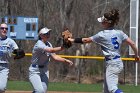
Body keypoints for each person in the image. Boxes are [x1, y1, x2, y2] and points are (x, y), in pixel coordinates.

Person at [68, 9, 139, 93]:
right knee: (106, 90)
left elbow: (86, 40)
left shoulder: (102, 34)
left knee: (112, 89)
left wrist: (71, 40)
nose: (101, 23)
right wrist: (136, 55)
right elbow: (133, 44)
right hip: (118, 62)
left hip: (112, 64)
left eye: (102, 22)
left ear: (107, 23)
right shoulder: (120, 33)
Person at [29, 27, 73, 93]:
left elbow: (55, 56)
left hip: (44, 71)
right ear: (41, 35)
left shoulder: (49, 44)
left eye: (48, 33)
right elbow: (51, 50)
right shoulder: (39, 44)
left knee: (43, 91)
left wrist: (65, 60)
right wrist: (63, 47)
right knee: (40, 91)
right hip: (35, 71)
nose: (48, 34)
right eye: (46, 33)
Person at [0, 23, 25, 93]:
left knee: (1, 88)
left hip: (4, 67)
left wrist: (18, 52)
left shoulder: (10, 41)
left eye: (6, 28)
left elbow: (17, 50)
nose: (4, 30)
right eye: (2, 28)